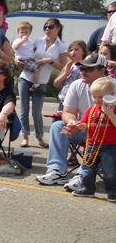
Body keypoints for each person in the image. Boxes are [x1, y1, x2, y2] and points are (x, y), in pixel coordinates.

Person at [36, 52, 109, 187]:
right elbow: (68, 112)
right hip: (83, 130)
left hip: (106, 135)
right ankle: (57, 171)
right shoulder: (76, 85)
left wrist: (85, 126)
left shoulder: (113, 87)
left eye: (88, 69)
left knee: (99, 132)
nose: (83, 72)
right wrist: (72, 122)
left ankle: (83, 176)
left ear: (102, 71)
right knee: (58, 126)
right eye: (82, 68)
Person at [62, 76, 116, 201]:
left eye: (101, 97)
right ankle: (88, 188)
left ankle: (112, 192)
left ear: (111, 95)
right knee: (87, 169)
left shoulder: (113, 110)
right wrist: (79, 126)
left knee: (110, 171)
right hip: (92, 144)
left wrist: (110, 114)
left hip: (110, 146)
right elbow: (86, 125)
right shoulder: (91, 110)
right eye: (94, 97)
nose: (96, 100)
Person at [54, 39, 86, 107]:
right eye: (71, 50)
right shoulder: (68, 65)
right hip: (64, 99)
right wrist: (65, 74)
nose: (73, 52)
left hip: (78, 100)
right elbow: (56, 84)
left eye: (76, 49)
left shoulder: (86, 66)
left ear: (83, 51)